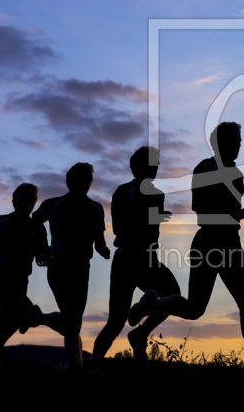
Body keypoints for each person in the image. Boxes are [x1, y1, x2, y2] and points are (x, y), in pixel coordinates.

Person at [129, 123, 244, 365]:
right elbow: (199, 208)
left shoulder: (236, 173)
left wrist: (237, 211)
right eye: (232, 140)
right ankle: (153, 304)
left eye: (239, 140)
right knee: (194, 310)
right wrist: (234, 210)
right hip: (208, 243)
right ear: (217, 143)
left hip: (231, 243)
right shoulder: (204, 168)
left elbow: (231, 207)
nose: (237, 144)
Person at [92, 146, 180, 365]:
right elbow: (126, 227)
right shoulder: (146, 193)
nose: (156, 168)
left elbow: (122, 226)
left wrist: (153, 218)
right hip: (136, 257)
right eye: (153, 164)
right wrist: (152, 219)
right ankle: (140, 324)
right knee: (117, 321)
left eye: (157, 164)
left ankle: (139, 327)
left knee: (117, 321)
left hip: (133, 257)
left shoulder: (123, 192)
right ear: (141, 167)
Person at [24, 163, 110, 370]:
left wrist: (104, 250)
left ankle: (39, 317)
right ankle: (77, 369)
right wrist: (39, 251)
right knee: (72, 321)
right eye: (80, 178)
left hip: (82, 268)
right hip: (59, 266)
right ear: (69, 181)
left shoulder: (96, 208)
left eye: (88, 178)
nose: (84, 182)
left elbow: (100, 241)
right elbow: (29, 228)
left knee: (73, 321)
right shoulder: (53, 204)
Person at [0, 183, 50, 375]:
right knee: (22, 310)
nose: (28, 203)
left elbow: (46, 252)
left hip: (21, 281)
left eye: (32, 200)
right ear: (14, 201)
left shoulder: (39, 228)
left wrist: (48, 254)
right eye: (23, 199)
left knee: (10, 316)